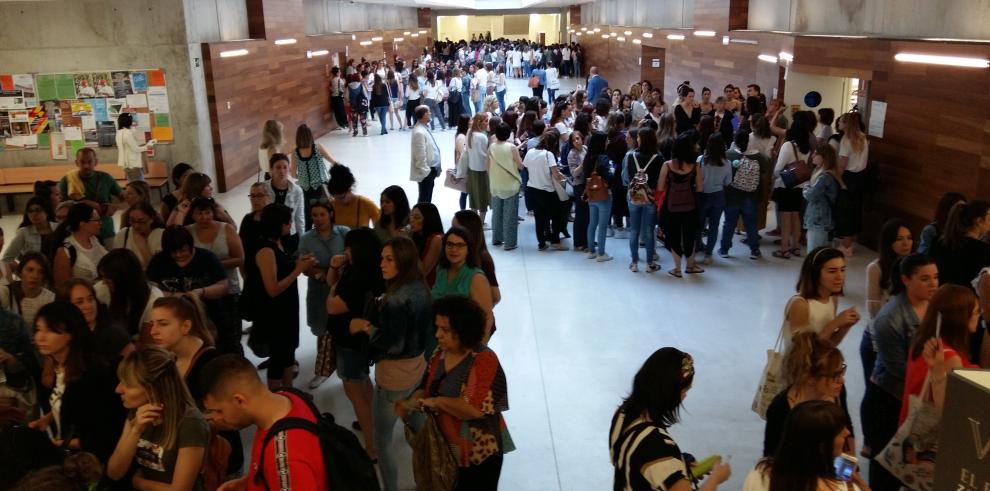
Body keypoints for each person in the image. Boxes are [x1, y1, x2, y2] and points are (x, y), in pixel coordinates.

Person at [398, 295, 513, 491]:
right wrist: (412, 402)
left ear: (464, 330)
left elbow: (473, 409)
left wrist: (437, 402)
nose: (438, 335)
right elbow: (427, 386)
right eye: (437, 327)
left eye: (446, 330)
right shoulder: (440, 353)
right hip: (446, 450)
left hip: (478, 455)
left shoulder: (484, 360)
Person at [348, 236, 432, 491]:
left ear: (403, 262)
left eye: (389, 259)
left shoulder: (396, 299)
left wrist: (364, 326)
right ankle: (428, 481)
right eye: (381, 258)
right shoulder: (420, 286)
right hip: (417, 369)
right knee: (420, 434)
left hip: (393, 379)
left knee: (382, 441)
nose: (382, 264)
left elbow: (391, 344)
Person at [609, 347, 731, 491]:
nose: (685, 396)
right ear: (667, 393)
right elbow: (653, 453)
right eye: (685, 390)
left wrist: (678, 467)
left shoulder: (623, 413)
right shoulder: (658, 445)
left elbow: (633, 461)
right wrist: (716, 478)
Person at [864, 254, 938, 489]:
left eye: (935, 277)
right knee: (885, 463)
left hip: (917, 394)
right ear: (906, 280)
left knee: (910, 461)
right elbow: (898, 368)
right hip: (889, 398)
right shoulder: (890, 318)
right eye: (925, 279)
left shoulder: (935, 307)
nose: (933, 284)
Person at [200, 354, 328, 490]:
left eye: (218, 411)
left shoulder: (284, 461)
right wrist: (247, 483)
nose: (215, 418)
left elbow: (286, 471)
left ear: (239, 400)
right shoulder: (286, 396)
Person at [29, 301, 127, 463]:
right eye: (38, 329)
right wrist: (49, 418)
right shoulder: (59, 365)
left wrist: (62, 444)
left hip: (91, 463)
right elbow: (70, 403)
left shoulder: (94, 374)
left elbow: (107, 432)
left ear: (71, 333)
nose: (40, 337)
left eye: (50, 330)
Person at [106, 345, 208, 490]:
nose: (118, 389)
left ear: (153, 389)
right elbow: (114, 473)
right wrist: (135, 431)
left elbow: (180, 489)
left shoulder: (191, 423)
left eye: (127, 384)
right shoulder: (137, 411)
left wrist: (139, 483)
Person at [326, 227, 385, 460]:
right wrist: (334, 266)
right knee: (364, 387)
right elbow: (332, 280)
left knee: (355, 394)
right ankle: (376, 431)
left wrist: (331, 292)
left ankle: (372, 447)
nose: (345, 251)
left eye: (348, 247)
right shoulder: (368, 269)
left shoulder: (358, 278)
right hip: (359, 342)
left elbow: (332, 306)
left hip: (350, 343)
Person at [245, 204, 316, 389]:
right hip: (274, 313)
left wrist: (298, 263)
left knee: (288, 356)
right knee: (278, 359)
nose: (290, 225)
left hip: (287, 308)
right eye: (288, 222)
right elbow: (273, 288)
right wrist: (298, 270)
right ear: (279, 224)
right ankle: (279, 398)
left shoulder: (279, 242)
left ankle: (290, 393)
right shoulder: (265, 250)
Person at [763, 332, 854, 457]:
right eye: (835, 375)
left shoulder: (836, 391)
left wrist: (849, 468)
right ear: (810, 378)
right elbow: (771, 458)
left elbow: (846, 426)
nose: (842, 380)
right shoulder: (780, 409)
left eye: (842, 370)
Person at [744, 400, 869, 491]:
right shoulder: (841, 487)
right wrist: (862, 486)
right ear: (821, 446)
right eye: (839, 431)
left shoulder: (759, 472)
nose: (847, 433)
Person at [901, 284, 980, 422]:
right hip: (932, 434)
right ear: (961, 318)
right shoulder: (949, 358)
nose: (981, 315)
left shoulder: (923, 341)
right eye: (977, 311)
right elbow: (952, 409)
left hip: (911, 421)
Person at [146, 226, 230, 342]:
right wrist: (175, 295)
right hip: (173, 320)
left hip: (209, 317)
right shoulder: (159, 260)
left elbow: (223, 285)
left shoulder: (207, 258)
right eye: (174, 252)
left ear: (191, 245)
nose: (179, 255)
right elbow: (151, 289)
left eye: (183, 250)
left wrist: (201, 292)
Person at [298, 202, 349, 390]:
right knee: (321, 329)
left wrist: (327, 270)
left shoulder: (344, 233)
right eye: (314, 215)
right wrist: (318, 273)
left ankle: (343, 367)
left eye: (322, 214)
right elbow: (304, 267)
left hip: (342, 291)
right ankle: (322, 369)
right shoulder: (306, 239)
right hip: (319, 293)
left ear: (330, 214)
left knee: (342, 330)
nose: (318, 219)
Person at [185, 198, 243, 354]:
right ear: (192, 215)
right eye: (199, 213)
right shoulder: (188, 232)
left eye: (208, 212)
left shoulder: (226, 229)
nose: (204, 217)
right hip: (200, 293)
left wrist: (213, 264)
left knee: (231, 337)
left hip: (228, 290)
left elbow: (240, 258)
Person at [781, 247, 860, 351]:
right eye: (832, 271)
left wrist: (844, 327)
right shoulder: (800, 305)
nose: (840, 276)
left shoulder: (833, 298)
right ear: (815, 274)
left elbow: (828, 344)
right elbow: (803, 352)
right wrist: (835, 324)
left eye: (842, 270)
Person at [430, 226, 494, 353]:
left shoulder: (476, 277)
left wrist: (477, 350)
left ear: (468, 249)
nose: (454, 249)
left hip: (463, 346)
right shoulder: (441, 270)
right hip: (437, 339)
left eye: (460, 245)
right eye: (450, 244)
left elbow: (487, 317)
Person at [659, 133, 704, 277]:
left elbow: (660, 187)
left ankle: (677, 269)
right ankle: (690, 266)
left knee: (673, 236)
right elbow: (700, 188)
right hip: (690, 206)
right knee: (689, 235)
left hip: (671, 206)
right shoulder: (694, 167)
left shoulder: (667, 165)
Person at [58, 148, 124, 243]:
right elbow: (60, 207)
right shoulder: (68, 180)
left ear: (96, 162)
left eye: (89, 162)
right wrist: (84, 204)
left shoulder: (106, 178)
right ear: (76, 163)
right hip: (79, 234)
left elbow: (126, 200)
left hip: (105, 231)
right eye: (82, 162)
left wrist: (116, 207)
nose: (86, 166)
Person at [95, 249, 163, 336]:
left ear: (123, 281)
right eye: (103, 277)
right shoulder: (103, 288)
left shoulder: (153, 299)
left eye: (108, 280)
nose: (103, 282)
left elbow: (147, 343)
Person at [771, 118, 814, 259]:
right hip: (800, 185)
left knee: (785, 218)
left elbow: (778, 169)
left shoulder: (788, 145)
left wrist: (774, 176)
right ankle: (795, 247)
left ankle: (784, 249)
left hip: (786, 186)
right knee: (796, 217)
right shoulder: (806, 147)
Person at [718, 131, 763, 260]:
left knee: (729, 223)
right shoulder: (758, 157)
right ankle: (754, 250)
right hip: (751, 195)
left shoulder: (728, 155)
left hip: (732, 195)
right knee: (751, 224)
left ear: (735, 140)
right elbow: (765, 169)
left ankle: (724, 249)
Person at [622, 128, 662, 272]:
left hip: (633, 196)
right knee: (649, 230)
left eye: (638, 137)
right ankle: (650, 263)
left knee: (634, 230)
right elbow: (660, 181)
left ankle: (634, 263)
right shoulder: (658, 158)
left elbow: (627, 176)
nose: (637, 139)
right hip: (650, 197)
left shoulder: (631, 155)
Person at [525, 130, 567, 251]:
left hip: (532, 188)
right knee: (556, 215)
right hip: (547, 190)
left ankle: (541, 243)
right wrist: (562, 177)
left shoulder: (530, 152)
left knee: (539, 218)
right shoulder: (549, 155)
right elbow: (555, 174)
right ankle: (555, 240)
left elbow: (526, 166)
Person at [931, 200, 990, 287]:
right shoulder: (983, 250)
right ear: (979, 221)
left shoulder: (939, 240)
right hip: (965, 298)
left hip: (939, 295)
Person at [834, 113, 870, 256]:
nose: (838, 124)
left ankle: (845, 244)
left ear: (846, 124)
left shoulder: (846, 140)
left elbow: (842, 164)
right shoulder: (862, 137)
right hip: (861, 177)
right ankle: (851, 243)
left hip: (848, 177)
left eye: (841, 122)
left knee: (845, 211)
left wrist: (838, 180)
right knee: (856, 209)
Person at [291, 124, 338, 230]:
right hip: (321, 189)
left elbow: (293, 174)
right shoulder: (318, 148)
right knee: (326, 215)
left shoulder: (295, 153)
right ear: (310, 136)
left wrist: (302, 177)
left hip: (305, 191)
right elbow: (334, 162)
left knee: (307, 218)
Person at [51, 203, 108, 289]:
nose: (100, 223)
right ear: (82, 223)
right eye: (97, 220)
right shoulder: (65, 251)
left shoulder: (96, 241)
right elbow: (62, 287)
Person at [696, 133, 732, 264]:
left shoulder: (700, 160)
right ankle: (708, 254)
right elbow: (728, 182)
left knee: (699, 225)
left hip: (702, 195)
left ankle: (696, 247)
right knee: (714, 226)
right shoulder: (727, 163)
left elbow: (696, 178)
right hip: (718, 195)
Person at [802, 144, 844, 252]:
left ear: (824, 157)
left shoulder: (825, 177)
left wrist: (806, 186)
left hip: (818, 221)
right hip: (822, 220)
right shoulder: (828, 174)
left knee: (814, 253)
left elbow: (810, 195)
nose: (812, 156)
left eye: (816, 153)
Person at [488, 122, 523, 251]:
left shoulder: (491, 147)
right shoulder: (512, 147)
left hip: (496, 184)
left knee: (496, 213)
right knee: (510, 215)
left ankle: (496, 238)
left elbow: (488, 166)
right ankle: (509, 242)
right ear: (508, 134)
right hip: (510, 185)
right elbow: (520, 165)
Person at [0, 252, 55, 328]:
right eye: (30, 270)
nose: (35, 276)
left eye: (41, 272)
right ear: (20, 272)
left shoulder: (50, 299)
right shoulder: (5, 292)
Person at [583, 131, 613, 261]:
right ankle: (601, 253)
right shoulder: (603, 158)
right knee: (602, 225)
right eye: (606, 141)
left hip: (591, 193)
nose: (608, 143)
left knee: (592, 223)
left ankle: (591, 251)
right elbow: (608, 177)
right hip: (603, 194)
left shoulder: (587, 158)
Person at [2, 197, 57, 269]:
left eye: (38, 210)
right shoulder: (24, 232)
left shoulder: (58, 228)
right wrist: (22, 271)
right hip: (35, 276)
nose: (34, 214)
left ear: (47, 212)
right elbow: (6, 259)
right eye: (30, 211)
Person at [167, 173, 236, 227]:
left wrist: (223, 214)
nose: (211, 188)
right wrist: (181, 214)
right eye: (207, 185)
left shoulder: (212, 204)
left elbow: (233, 228)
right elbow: (171, 233)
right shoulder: (182, 207)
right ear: (197, 188)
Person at [265, 153, 305, 242]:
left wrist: (303, 242)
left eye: (285, 167)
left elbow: (299, 218)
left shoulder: (297, 191)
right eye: (278, 167)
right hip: (268, 235)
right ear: (271, 169)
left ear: (289, 169)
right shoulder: (263, 188)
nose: (282, 171)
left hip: (290, 235)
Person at [327, 164, 380, 229]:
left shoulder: (366, 204)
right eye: (334, 197)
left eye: (341, 198)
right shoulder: (331, 205)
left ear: (349, 190)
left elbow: (379, 230)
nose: (337, 201)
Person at [410, 105, 442, 204]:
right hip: (426, 173)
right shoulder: (419, 132)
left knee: (427, 198)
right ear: (424, 115)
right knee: (424, 199)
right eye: (428, 112)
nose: (430, 113)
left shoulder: (423, 128)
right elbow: (420, 156)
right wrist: (426, 173)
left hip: (430, 170)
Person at [114, 203, 163, 268]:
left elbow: (158, 268)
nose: (136, 226)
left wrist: (143, 248)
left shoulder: (161, 235)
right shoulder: (123, 234)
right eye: (132, 221)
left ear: (151, 219)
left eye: (141, 221)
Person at [410, 203, 444, 287]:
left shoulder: (437, 239)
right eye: (411, 216)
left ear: (429, 219)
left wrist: (408, 243)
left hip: (431, 289)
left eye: (417, 217)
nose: (411, 220)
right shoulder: (418, 236)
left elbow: (423, 271)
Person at [115, 112, 156, 182]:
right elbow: (135, 149)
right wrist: (147, 146)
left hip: (125, 165)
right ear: (129, 121)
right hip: (133, 164)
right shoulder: (128, 133)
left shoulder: (118, 133)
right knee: (139, 186)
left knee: (132, 185)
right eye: (131, 120)